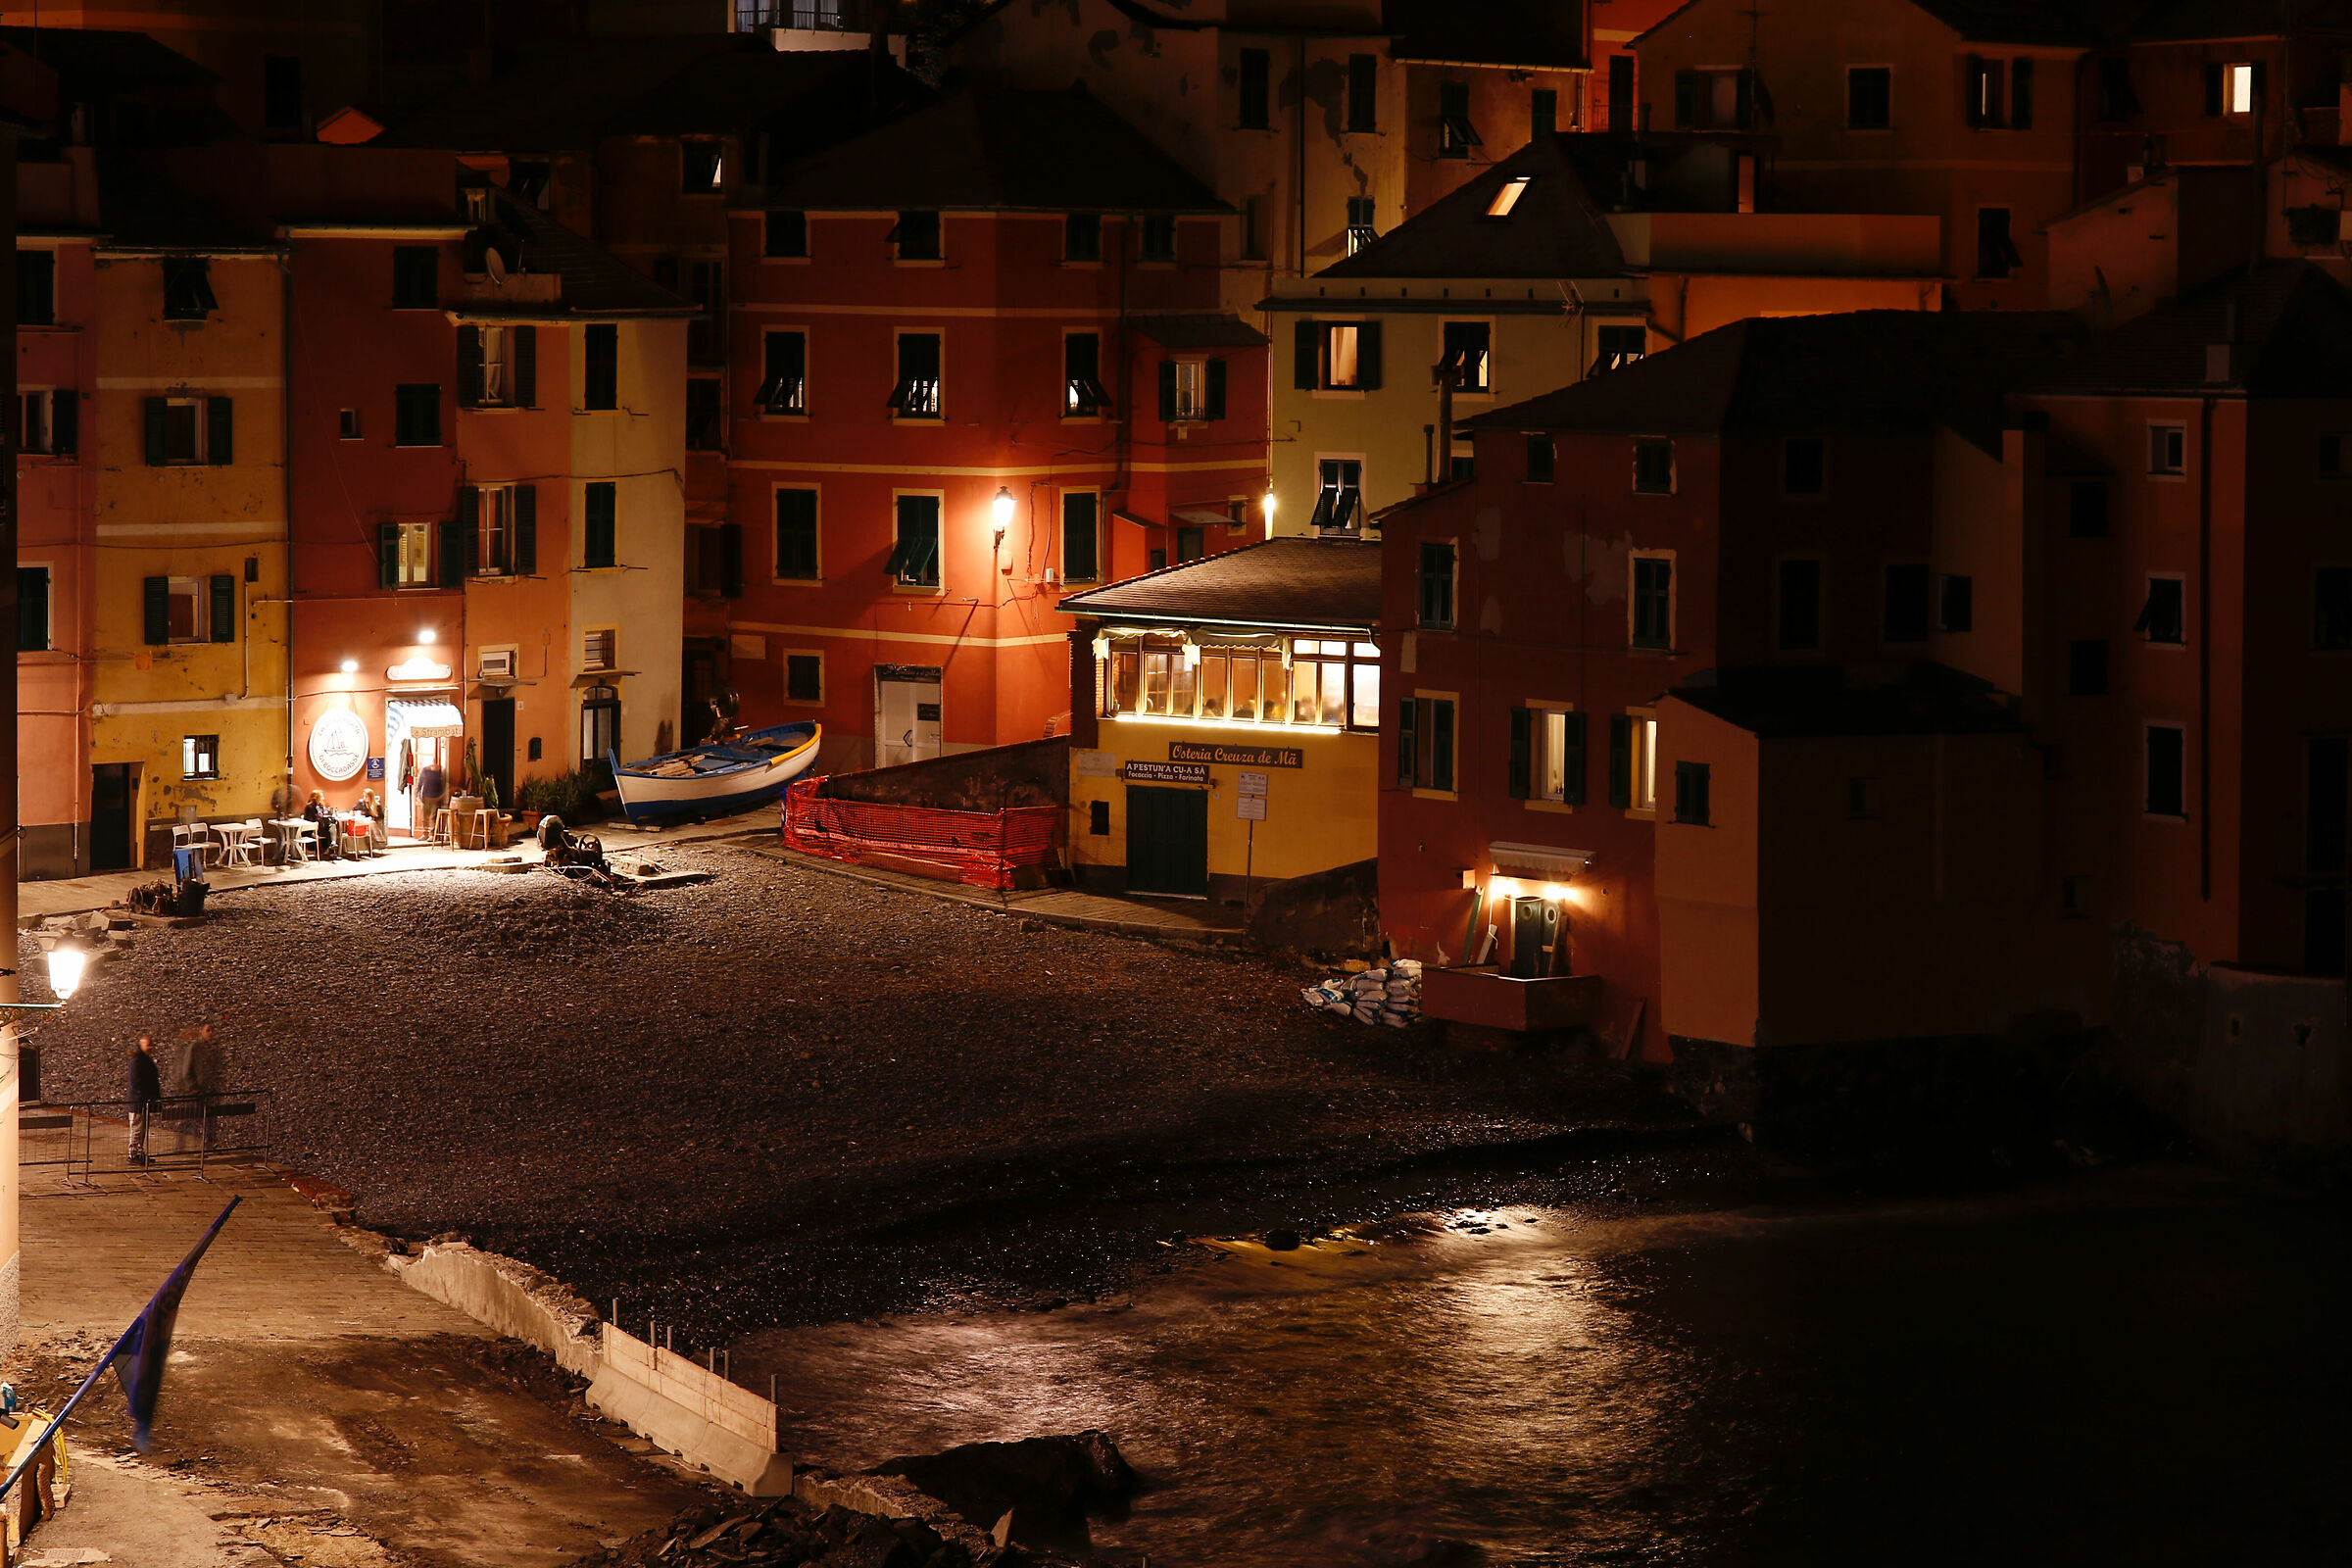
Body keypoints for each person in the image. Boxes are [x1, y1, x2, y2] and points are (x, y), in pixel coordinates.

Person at [126, 1034, 161, 1165]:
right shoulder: (138, 1060)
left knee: (140, 1129)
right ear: (141, 1045)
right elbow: (136, 1081)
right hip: (138, 1101)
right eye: (149, 1045)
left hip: (141, 1101)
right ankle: (134, 1154)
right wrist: (145, 1096)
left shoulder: (141, 1059)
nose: (151, 1047)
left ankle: (138, 1153)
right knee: (137, 1128)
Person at [302, 788, 342, 860]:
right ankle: (332, 852)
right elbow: (309, 821)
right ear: (316, 798)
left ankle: (333, 844)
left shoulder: (321, 806)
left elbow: (327, 813)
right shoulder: (309, 807)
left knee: (332, 825)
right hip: (314, 830)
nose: (323, 798)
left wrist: (330, 814)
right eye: (321, 797)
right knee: (330, 830)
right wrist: (312, 832)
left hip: (322, 827)